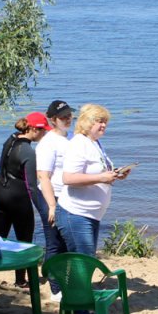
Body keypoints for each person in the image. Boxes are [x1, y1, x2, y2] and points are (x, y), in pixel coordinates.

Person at [55, 104, 130, 258]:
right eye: (99, 121)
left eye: (105, 122)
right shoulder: (79, 143)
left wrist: (115, 174)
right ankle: (71, 283)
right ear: (87, 122)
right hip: (76, 213)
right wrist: (102, 178)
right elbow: (68, 178)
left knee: (86, 260)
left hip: (91, 214)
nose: (103, 125)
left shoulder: (95, 142)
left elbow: (98, 170)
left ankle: (79, 283)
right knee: (84, 260)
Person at [0, 112, 50, 287]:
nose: (44, 134)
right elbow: (31, 186)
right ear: (32, 129)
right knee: (24, 239)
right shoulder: (29, 152)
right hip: (18, 197)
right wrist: (43, 209)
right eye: (42, 130)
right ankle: (21, 280)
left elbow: (1, 164)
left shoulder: (10, 140)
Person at [36, 100, 75, 302]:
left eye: (69, 115)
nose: (68, 119)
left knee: (67, 243)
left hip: (67, 197)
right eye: (63, 117)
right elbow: (43, 176)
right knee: (54, 244)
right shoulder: (47, 143)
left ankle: (65, 282)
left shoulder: (70, 139)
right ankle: (55, 289)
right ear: (53, 120)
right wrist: (52, 205)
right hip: (51, 198)